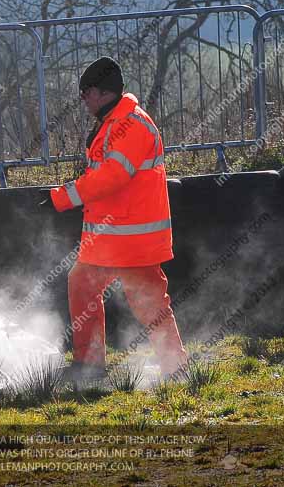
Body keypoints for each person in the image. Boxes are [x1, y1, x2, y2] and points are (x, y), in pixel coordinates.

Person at [43, 56, 187, 382]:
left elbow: (112, 177)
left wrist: (61, 198)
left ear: (99, 92)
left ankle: (176, 369)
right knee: (82, 284)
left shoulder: (132, 125)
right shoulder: (113, 123)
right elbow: (104, 179)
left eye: (85, 95)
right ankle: (90, 365)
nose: (83, 102)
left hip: (132, 241)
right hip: (112, 239)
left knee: (150, 304)